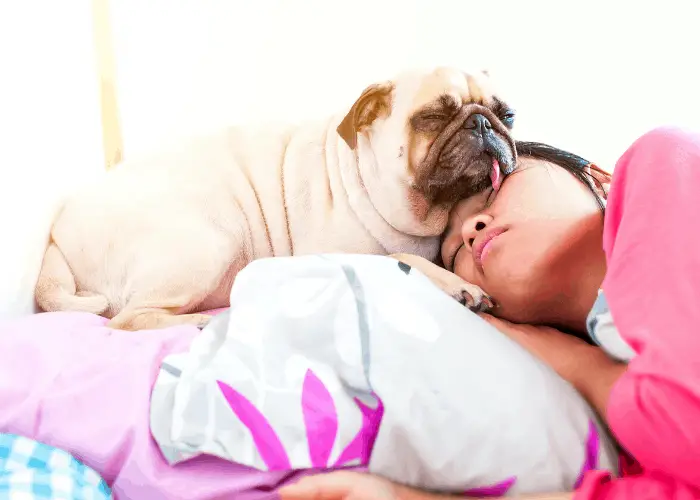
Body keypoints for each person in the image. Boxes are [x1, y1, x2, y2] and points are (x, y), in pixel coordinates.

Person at [279, 127, 700, 500]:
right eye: (454, 253)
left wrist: (583, 367)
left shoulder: (666, 166)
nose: (470, 228)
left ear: (596, 177)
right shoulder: (622, 434)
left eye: (496, 187)